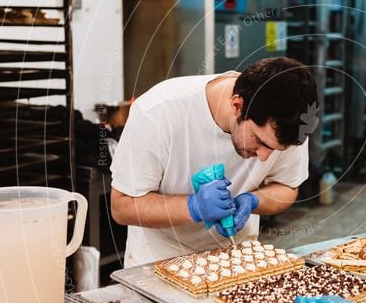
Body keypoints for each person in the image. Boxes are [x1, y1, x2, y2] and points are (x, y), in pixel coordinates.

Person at [110, 57, 319, 267]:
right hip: (160, 261)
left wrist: (253, 201)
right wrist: (193, 207)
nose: (265, 156)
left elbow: (287, 186)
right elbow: (121, 206)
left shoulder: (291, 124)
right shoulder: (158, 112)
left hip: (236, 258)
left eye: (274, 150)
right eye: (259, 140)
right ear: (237, 105)